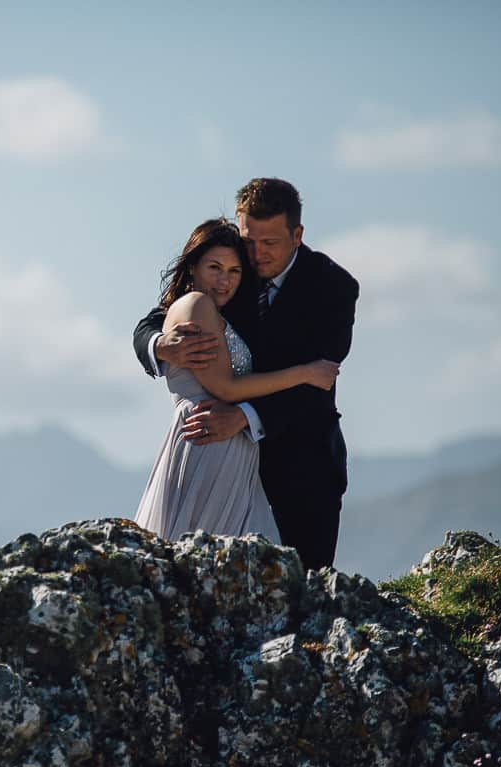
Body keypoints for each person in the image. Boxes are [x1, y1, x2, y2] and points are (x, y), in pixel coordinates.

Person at [134, 179, 359, 570]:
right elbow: (158, 318)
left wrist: (244, 416)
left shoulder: (334, 287)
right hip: (217, 455)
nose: (255, 253)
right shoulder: (233, 266)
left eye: (268, 242)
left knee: (301, 592)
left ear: (297, 235)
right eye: (249, 239)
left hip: (303, 465)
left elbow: (315, 387)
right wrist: (160, 344)